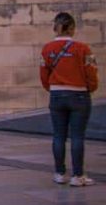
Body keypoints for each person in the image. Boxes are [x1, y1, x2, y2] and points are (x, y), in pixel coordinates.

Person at [40, 12, 98, 187]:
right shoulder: (82, 48)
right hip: (79, 94)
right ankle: (77, 175)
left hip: (57, 94)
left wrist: (53, 88)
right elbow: (91, 72)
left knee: (59, 136)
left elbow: (44, 75)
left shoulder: (47, 49)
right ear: (72, 28)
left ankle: (59, 173)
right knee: (77, 136)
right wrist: (90, 87)